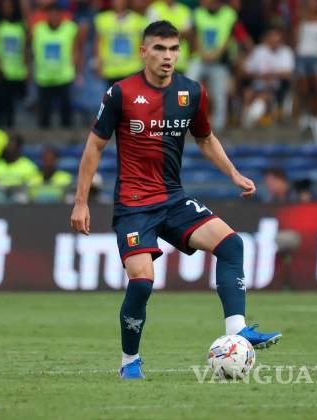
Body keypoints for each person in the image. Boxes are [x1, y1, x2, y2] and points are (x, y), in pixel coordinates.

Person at [70, 20, 282, 380]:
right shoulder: (121, 93)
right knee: (142, 282)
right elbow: (94, 146)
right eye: (159, 48)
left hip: (172, 199)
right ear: (144, 52)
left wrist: (233, 174)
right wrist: (81, 201)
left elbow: (205, 138)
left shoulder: (191, 92)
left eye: (173, 49)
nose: (167, 56)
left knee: (231, 245)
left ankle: (238, 330)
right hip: (134, 205)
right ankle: (129, 361)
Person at [188, 0, 239, 131]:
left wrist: (216, 54)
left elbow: (229, 37)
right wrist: (202, 53)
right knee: (186, 86)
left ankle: (218, 125)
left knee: (219, 94)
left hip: (220, 60)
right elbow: (195, 35)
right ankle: (183, 119)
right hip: (200, 58)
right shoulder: (198, 13)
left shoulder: (229, 14)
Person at [32, 3, 82, 128]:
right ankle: (44, 135)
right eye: (51, 14)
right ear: (47, 15)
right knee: (44, 111)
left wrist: (77, 70)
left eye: (56, 14)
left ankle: (67, 134)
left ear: (61, 15)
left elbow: (77, 50)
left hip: (64, 75)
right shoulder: (38, 29)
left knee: (66, 109)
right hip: (44, 76)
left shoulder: (70, 28)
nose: (54, 16)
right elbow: (28, 47)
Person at [242, 28, 294, 126]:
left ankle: (253, 119)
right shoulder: (259, 51)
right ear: (267, 39)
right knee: (247, 94)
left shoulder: (286, 52)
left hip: (277, 86)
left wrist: (272, 74)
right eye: (272, 39)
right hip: (258, 83)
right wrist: (259, 75)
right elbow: (246, 69)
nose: (274, 42)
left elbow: (288, 74)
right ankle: (246, 123)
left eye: (277, 39)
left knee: (263, 96)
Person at [0, 0, 28, 127]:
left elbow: (25, 48)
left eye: (10, 7)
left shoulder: (20, 26)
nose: (7, 10)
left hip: (17, 72)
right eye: (4, 7)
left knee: (13, 104)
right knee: (0, 102)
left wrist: (27, 68)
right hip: (1, 71)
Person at [94, 0, 146, 86]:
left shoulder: (138, 20)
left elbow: (142, 44)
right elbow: (98, 43)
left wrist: (144, 64)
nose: (119, 2)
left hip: (132, 68)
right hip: (110, 69)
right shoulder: (102, 19)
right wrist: (98, 63)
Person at [294, 0, 317, 117]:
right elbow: (296, 39)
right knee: (304, 88)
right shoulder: (301, 21)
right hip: (302, 55)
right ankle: (306, 112)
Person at [146, 0, 193, 74]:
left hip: (180, 61)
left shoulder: (185, 10)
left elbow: (188, 33)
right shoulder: (154, 8)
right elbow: (153, 33)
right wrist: (178, 33)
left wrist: (164, 33)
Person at [0, 134, 39, 203]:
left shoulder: (29, 167)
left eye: (12, 146)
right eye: (8, 145)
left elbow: (32, 189)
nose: (8, 148)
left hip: (20, 203)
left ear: (19, 148)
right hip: (1, 202)